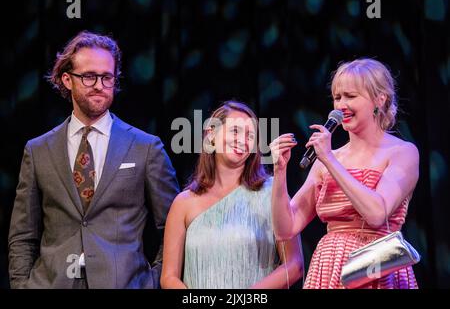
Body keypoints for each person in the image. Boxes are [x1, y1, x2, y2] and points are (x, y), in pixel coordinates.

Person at [8, 31, 180, 288]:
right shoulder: (38, 150)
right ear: (67, 79)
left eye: (107, 77)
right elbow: (23, 234)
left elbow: (174, 227)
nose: (99, 85)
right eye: (89, 76)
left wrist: (151, 281)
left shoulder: (146, 148)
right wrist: (23, 285)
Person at [270, 58, 419, 289]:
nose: (341, 105)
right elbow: (285, 229)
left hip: (377, 265)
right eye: (337, 97)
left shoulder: (402, 152)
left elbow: (377, 213)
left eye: (351, 96)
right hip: (330, 267)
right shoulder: (327, 160)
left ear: (380, 99)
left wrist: (329, 159)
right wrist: (279, 173)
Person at [161, 101, 303, 289]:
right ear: (211, 134)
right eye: (235, 131)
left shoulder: (272, 194)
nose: (243, 140)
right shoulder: (184, 203)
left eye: (250, 135)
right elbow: (169, 277)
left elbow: (294, 265)